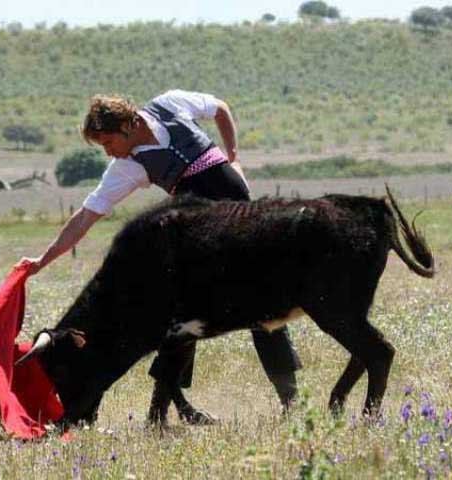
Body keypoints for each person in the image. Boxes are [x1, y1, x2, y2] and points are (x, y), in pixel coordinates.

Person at [17, 89, 300, 423]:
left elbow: (221, 109)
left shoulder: (171, 103)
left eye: (108, 143)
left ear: (127, 125)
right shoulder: (127, 166)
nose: (108, 153)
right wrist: (43, 259)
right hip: (202, 240)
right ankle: (161, 410)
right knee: (187, 320)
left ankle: (289, 404)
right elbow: (86, 215)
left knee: (264, 311)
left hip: (242, 224)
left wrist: (234, 157)